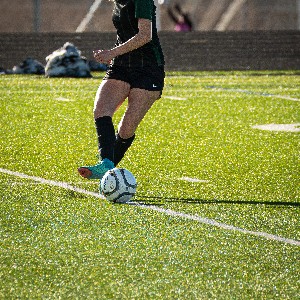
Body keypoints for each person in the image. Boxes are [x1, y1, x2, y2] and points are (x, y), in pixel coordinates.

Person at [78, 0, 165, 188]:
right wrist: (113, 55)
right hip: (121, 66)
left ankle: (108, 176)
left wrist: (112, 52)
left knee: (125, 131)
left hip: (148, 69)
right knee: (101, 109)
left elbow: (145, 36)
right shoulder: (117, 2)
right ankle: (106, 165)